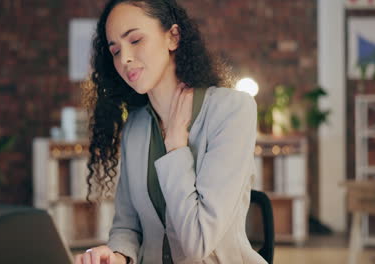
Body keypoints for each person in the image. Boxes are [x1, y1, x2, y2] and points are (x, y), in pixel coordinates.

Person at [75, 0, 266, 263]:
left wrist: (176, 147)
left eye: (136, 40)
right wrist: (117, 256)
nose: (125, 58)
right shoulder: (135, 126)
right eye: (115, 50)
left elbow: (197, 244)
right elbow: (127, 226)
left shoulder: (232, 110)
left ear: (173, 37)